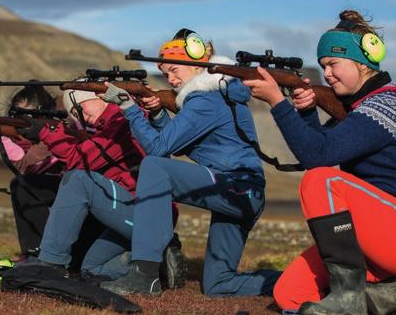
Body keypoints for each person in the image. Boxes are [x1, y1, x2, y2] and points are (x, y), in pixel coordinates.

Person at [242, 10, 396, 315]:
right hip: (369, 238)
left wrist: (278, 102)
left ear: (364, 61)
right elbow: (317, 148)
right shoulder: (361, 110)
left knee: (322, 181)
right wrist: (306, 111)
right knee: (289, 294)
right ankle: (392, 295)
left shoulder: (385, 105)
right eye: (322, 66)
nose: (327, 74)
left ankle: (350, 296)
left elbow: (317, 159)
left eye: (333, 64)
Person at [98, 28, 281, 296]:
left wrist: (129, 108)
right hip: (241, 192)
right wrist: (158, 113)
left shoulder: (205, 100)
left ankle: (145, 274)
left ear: (196, 64)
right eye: (166, 73)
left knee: (154, 167)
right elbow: (179, 141)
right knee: (219, 286)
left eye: (174, 70)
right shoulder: (218, 92)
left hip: (237, 188)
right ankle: (301, 281)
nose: (170, 79)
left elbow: (158, 150)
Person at [16, 88, 187, 287]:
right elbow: (87, 153)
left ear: (99, 97)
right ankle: (159, 263)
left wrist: (46, 132)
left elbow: (80, 159)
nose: (80, 114)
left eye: (80, 106)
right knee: (92, 268)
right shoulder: (112, 127)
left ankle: (50, 262)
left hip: (147, 215)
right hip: (136, 212)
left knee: (78, 179)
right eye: (73, 111)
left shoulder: (123, 124)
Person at [0, 85, 104, 263]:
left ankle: (44, 254)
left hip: (90, 194)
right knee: (22, 185)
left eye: (28, 115)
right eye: (17, 115)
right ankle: (35, 252)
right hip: (72, 189)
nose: (22, 120)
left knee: (23, 184)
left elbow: (26, 165)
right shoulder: (39, 134)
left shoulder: (63, 127)